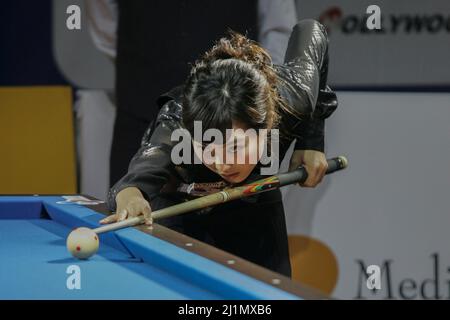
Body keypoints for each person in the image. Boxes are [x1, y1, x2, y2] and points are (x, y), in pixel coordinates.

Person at [102, 20, 338, 277]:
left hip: (254, 201)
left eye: (236, 146)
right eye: (207, 147)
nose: (224, 163)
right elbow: (133, 183)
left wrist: (311, 141)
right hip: (181, 206)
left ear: (267, 125)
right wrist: (132, 198)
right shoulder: (175, 125)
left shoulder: (293, 97)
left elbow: (311, 30)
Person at [86, 0, 298, 190]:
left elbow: (281, 28)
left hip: (236, 115)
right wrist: (146, 64)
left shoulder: (290, 97)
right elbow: (103, 20)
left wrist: (255, 91)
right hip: (140, 107)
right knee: (129, 207)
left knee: (234, 224)